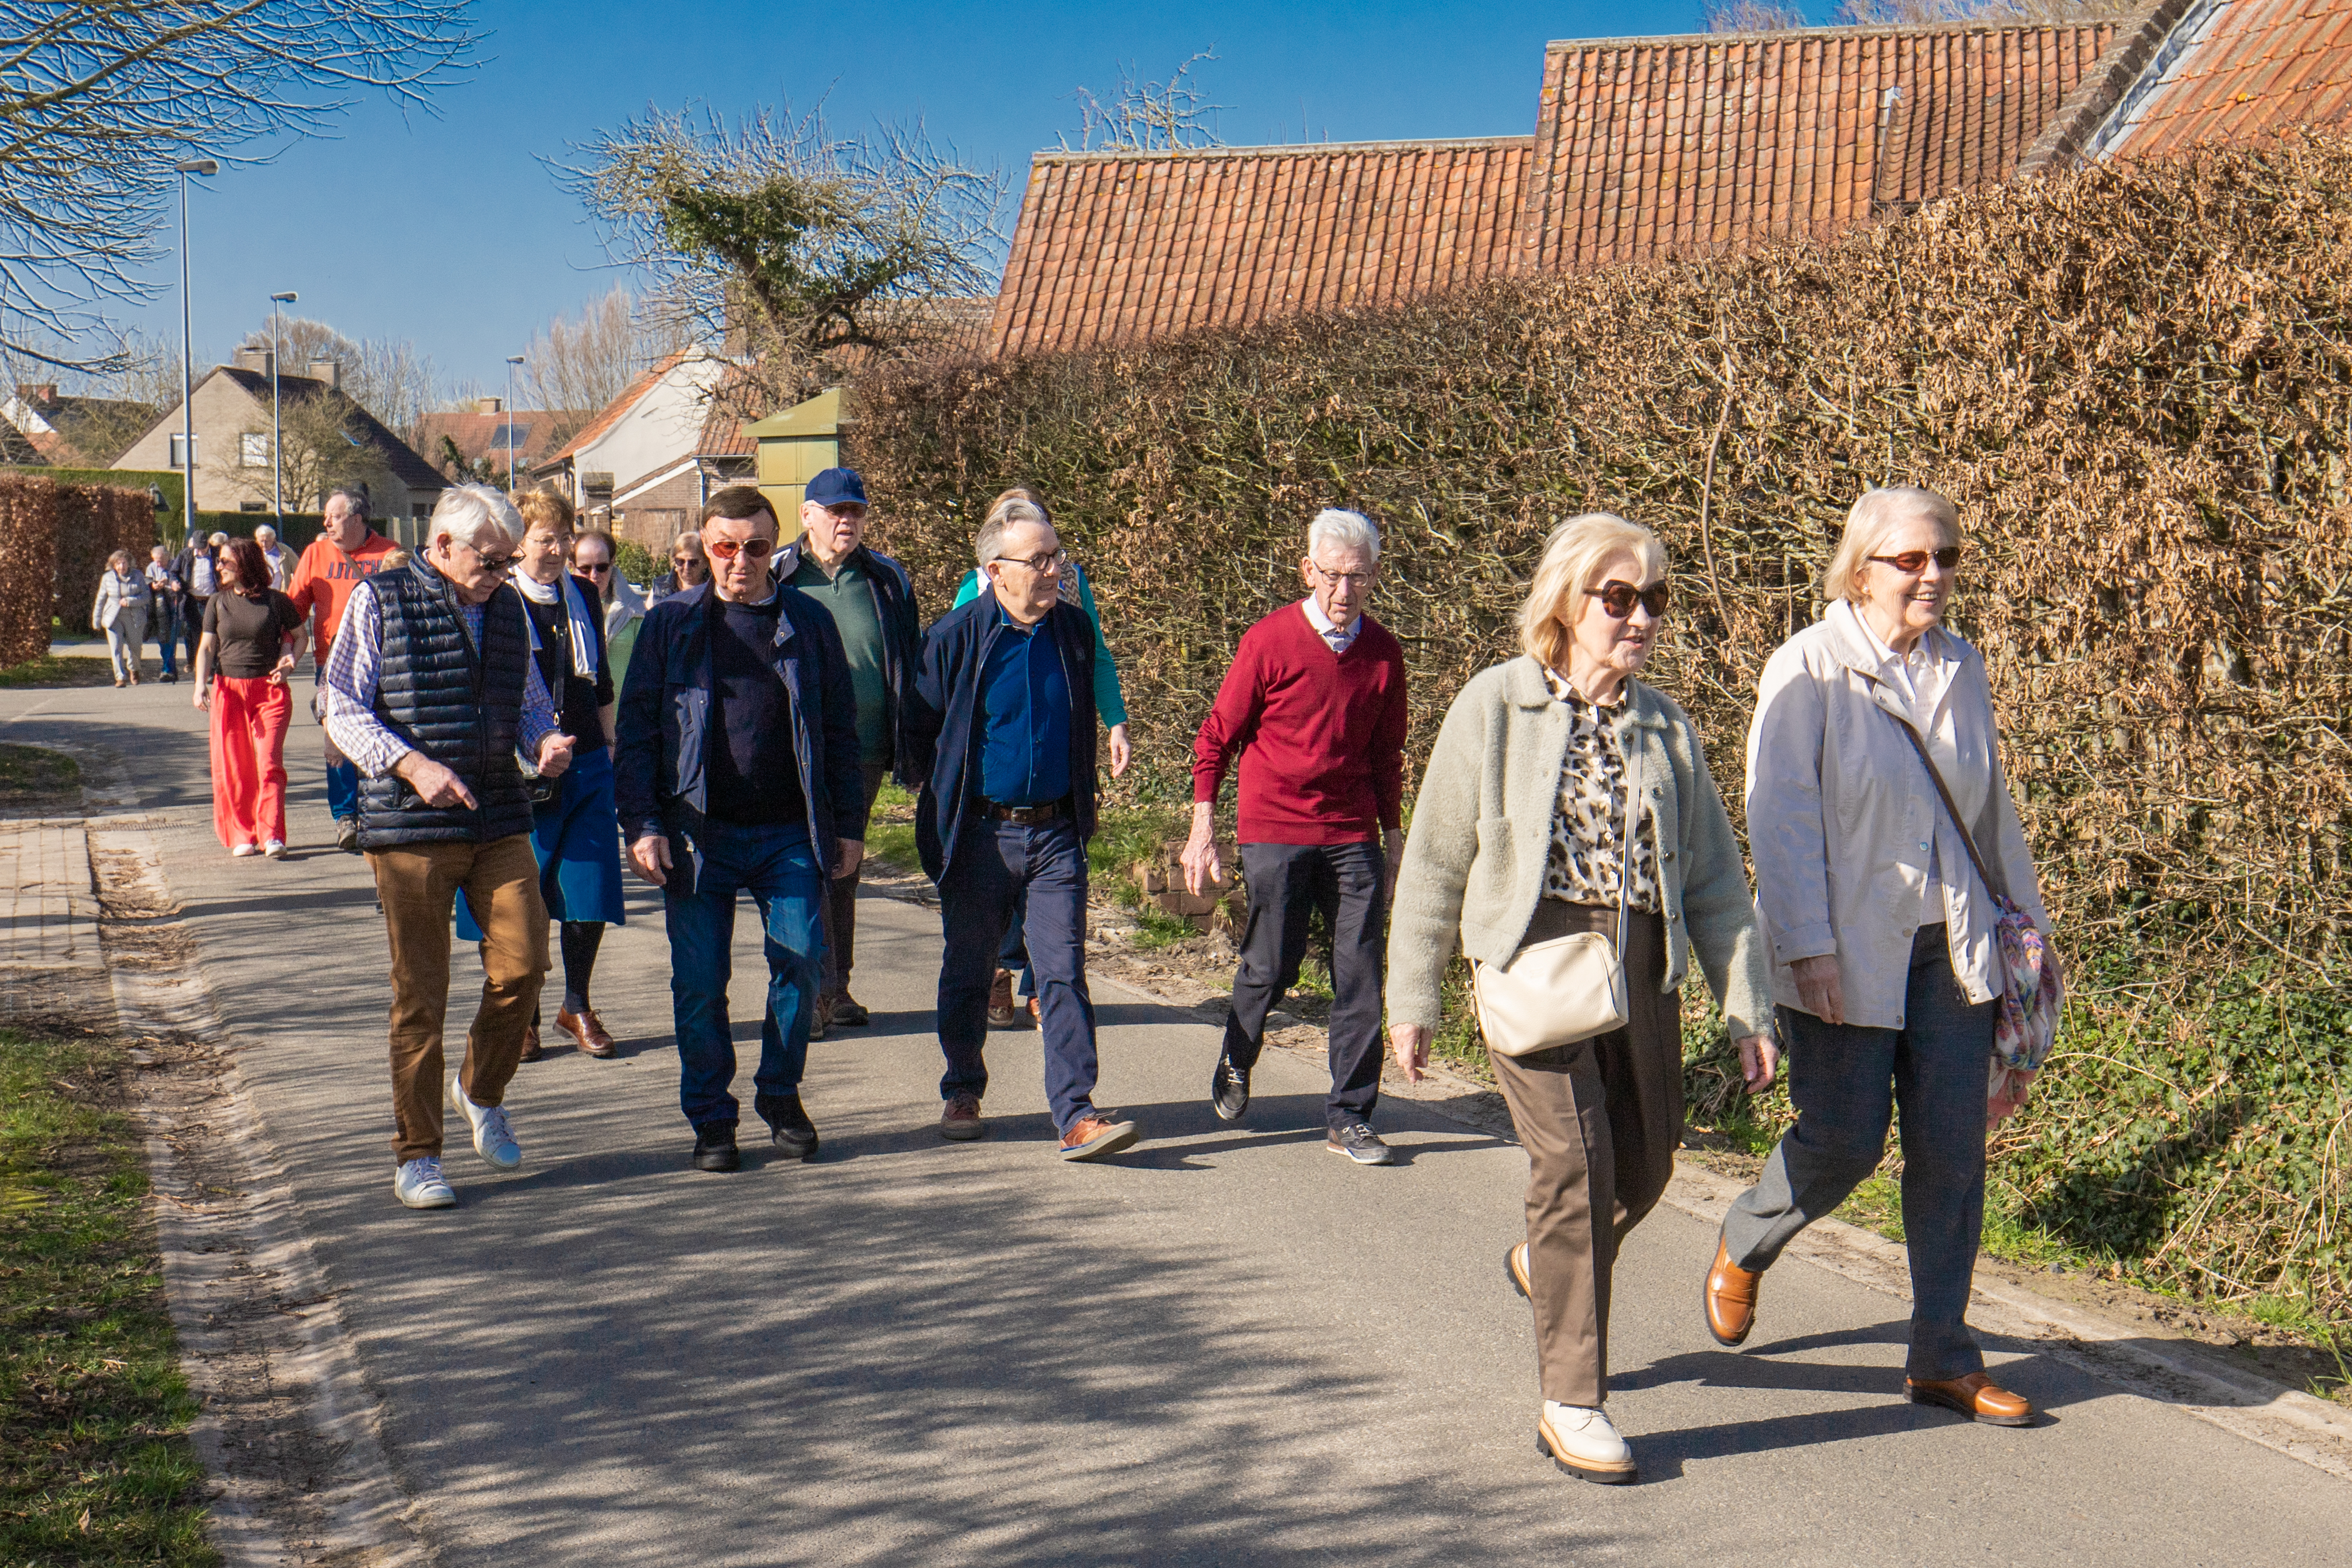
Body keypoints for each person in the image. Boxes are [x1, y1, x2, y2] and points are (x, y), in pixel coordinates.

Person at [1387, 512, 1776, 1484]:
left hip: (1641, 965)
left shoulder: (1665, 727)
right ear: (1565, 600)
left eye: (1653, 598)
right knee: (1574, 1163)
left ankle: (1547, 1259)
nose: (1638, 616)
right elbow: (1435, 858)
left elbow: (1717, 887)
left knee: (1641, 1168)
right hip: (1529, 960)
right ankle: (1572, 1398)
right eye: (1617, 596)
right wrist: (1412, 992)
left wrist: (1747, 1006)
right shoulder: (1495, 703)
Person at [1708, 486, 2056, 1427]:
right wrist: (1805, 945)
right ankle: (1746, 1239)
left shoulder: (1961, 668)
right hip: (1842, 945)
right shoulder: (1808, 666)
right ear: (1859, 569)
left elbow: (1986, 811)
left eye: (1944, 556)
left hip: (1953, 947)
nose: (1934, 573)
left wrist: (2027, 928)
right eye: (1911, 559)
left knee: (1950, 1153)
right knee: (1846, 1139)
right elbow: (1776, 819)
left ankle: (1941, 1352)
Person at [323, 484, 575, 1211]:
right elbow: (341, 706)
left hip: (497, 812)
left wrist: (544, 741)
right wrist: (410, 763)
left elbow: (527, 699)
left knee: (526, 963)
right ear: (441, 547)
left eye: (507, 561)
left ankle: (480, 1088)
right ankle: (419, 1154)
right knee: (420, 995)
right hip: (411, 825)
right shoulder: (380, 599)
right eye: (491, 561)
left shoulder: (508, 606)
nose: (502, 574)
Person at [615, 486, 866, 1173]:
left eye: (756, 547)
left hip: (788, 831)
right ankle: (711, 1117)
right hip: (698, 834)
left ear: (774, 549)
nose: (739, 561)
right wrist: (641, 823)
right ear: (705, 546)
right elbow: (635, 734)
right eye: (725, 546)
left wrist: (848, 825)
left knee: (801, 960)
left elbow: (841, 733)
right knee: (700, 981)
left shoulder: (808, 624)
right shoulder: (669, 626)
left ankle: (780, 1095)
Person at [909, 493, 1136, 1161]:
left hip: (1055, 833)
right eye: (1039, 560)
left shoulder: (1073, 629)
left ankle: (1076, 1111)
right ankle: (962, 1086)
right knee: (970, 968)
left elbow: (1086, 704)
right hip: (979, 833)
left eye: (1057, 557)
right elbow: (918, 729)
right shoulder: (954, 635)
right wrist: (944, 796)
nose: (1054, 570)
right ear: (997, 568)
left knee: (1061, 971)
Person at [1184, 508, 1410, 1165]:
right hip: (1275, 825)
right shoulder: (1269, 641)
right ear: (1308, 570)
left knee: (1361, 973)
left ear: (1373, 578)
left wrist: (1393, 843)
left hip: (1350, 831)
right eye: (1334, 576)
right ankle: (1238, 1051)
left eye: (1360, 578)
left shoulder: (1383, 655)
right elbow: (1216, 737)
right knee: (1272, 963)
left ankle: (1349, 1114)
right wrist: (1205, 827)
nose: (1345, 592)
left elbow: (1386, 758)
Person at [948, 487, 1131, 1030]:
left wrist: (1114, 720)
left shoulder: (1073, 589)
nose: (1050, 565)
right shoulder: (973, 591)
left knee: (1053, 889)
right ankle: (1000, 975)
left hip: (1055, 760)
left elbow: (1096, 652)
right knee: (998, 881)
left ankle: (1037, 984)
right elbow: (954, 676)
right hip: (994, 781)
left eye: (1053, 547)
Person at [467, 490, 624, 1063]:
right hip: (518, 766)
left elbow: (600, 679)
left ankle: (575, 1004)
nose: (558, 550)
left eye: (563, 537)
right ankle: (525, 1014)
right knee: (521, 896)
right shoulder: (496, 599)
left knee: (589, 890)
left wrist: (610, 746)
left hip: (584, 761)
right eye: (544, 539)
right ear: (517, 546)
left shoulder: (582, 591)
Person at [774, 466, 922, 1033]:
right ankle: (812, 984)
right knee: (804, 861)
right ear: (808, 514)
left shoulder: (886, 576)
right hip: (793, 743)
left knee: (842, 861)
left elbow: (912, 656)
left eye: (855, 510)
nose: (846, 520)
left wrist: (914, 740)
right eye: (835, 510)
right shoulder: (781, 572)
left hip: (862, 744)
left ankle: (836, 988)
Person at [288, 486, 401, 854]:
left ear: (356, 518)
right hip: (332, 665)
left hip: (385, 664)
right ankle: (346, 817)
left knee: (382, 732)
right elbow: (292, 609)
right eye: (327, 516)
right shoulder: (316, 553)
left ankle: (379, 809)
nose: (326, 523)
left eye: (333, 516)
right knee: (337, 741)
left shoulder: (390, 552)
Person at [195, 538, 306, 858]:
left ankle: (272, 834)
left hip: (269, 691)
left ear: (244, 563)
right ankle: (244, 832)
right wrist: (200, 684)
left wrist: (290, 662)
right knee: (237, 767)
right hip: (229, 691)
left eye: (225, 561)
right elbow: (206, 647)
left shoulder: (277, 601)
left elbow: (300, 637)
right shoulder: (217, 602)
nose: (219, 567)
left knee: (269, 763)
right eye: (219, 561)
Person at [569, 529, 647, 695]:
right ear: (571, 565)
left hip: (623, 713)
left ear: (612, 563)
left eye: (602, 567)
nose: (594, 575)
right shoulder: (562, 609)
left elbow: (647, 671)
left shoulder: (635, 611)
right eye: (585, 568)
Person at [91, 549, 150, 688]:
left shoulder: (138, 576)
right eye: (118, 564)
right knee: (116, 647)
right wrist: (97, 620)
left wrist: (130, 601)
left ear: (129, 564)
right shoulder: (107, 578)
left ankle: (134, 669)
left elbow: (146, 597)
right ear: (113, 565)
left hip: (134, 616)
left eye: (124, 563)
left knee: (135, 647)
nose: (121, 567)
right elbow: (100, 599)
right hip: (113, 617)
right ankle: (120, 677)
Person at [170, 530, 222, 680]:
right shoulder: (186, 554)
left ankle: (213, 669)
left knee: (212, 633)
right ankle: (201, 667)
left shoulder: (217, 554)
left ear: (208, 544)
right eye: (197, 548)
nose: (199, 551)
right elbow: (173, 572)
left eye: (203, 548)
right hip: (191, 599)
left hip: (211, 599)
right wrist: (174, 582)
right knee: (196, 633)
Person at [144, 544, 183, 682]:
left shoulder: (176, 565)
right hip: (159, 607)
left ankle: (167, 670)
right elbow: (147, 584)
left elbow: (183, 582)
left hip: (174, 604)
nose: (158, 563)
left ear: (168, 556)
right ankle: (170, 668)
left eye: (161, 560)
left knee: (171, 638)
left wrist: (171, 582)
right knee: (162, 639)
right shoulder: (151, 568)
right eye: (156, 560)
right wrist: (154, 586)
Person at [645, 531, 708, 607]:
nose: (686, 567)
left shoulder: (713, 590)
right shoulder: (660, 589)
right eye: (681, 561)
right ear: (674, 561)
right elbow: (648, 616)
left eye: (693, 562)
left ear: (705, 563)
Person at [254, 523, 294, 590]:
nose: (264, 544)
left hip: (280, 593)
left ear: (273, 539)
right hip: (259, 594)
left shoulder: (284, 550)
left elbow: (299, 569)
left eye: (267, 541)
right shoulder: (252, 551)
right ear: (257, 539)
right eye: (261, 541)